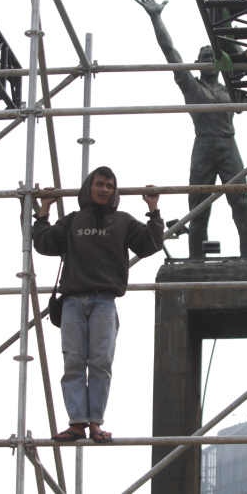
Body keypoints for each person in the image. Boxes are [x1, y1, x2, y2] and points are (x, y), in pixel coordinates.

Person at [32, 166, 163, 443]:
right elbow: (44, 243)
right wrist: (44, 209)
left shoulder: (123, 221)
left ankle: (95, 423)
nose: (105, 189)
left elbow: (150, 244)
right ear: (89, 187)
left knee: (101, 363)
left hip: (104, 300)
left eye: (110, 186)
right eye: (100, 184)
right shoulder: (73, 221)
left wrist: (153, 210)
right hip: (72, 302)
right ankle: (77, 423)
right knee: (74, 362)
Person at [133, 0, 247, 258]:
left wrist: (228, 20)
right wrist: (156, 18)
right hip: (203, 146)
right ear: (197, 64)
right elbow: (170, 52)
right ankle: (196, 260)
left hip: (228, 145)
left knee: (242, 204)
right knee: (199, 208)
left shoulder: (230, 90)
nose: (208, 62)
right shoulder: (191, 86)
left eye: (213, 58)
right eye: (203, 58)